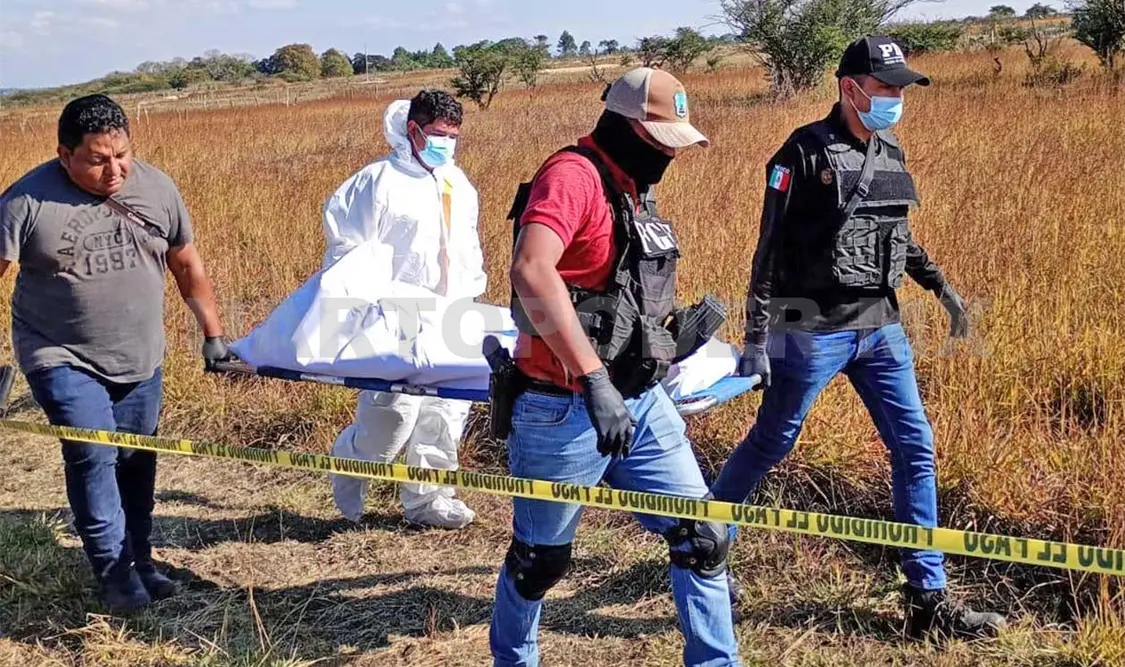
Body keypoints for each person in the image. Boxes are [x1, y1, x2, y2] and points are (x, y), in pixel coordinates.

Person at [711, 36, 1008, 640]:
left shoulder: (891, 148)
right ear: (851, 87)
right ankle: (705, 552)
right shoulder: (802, 151)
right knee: (772, 443)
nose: (897, 97)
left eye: (901, 87)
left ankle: (928, 598)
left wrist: (944, 290)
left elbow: (899, 235)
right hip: (811, 331)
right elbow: (766, 250)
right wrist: (754, 338)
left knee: (915, 448)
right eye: (887, 86)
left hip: (883, 330)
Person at [489, 67, 742, 667]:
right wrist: (594, 379)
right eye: (662, 142)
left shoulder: (632, 186)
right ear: (628, 125)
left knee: (703, 535)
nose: (668, 157)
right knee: (540, 561)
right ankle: (513, 660)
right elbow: (531, 270)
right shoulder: (571, 177)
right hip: (560, 406)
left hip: (642, 398)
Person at [0, 94, 233, 614]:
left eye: (122, 155)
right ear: (65, 155)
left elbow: (186, 263)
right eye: (97, 159)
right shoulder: (25, 202)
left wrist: (212, 333)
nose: (114, 170)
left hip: (140, 354)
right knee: (92, 455)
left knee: (135, 459)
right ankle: (113, 571)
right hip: (59, 353)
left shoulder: (157, 188)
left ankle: (141, 558)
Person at [322, 90, 486, 530]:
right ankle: (352, 467)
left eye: (453, 136)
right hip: (395, 313)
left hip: (453, 311)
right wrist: (358, 314)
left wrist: (470, 300)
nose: (446, 144)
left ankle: (428, 500)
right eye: (437, 134)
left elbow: (468, 249)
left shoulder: (458, 183)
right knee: (392, 415)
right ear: (412, 130)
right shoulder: (375, 182)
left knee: (447, 412)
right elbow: (346, 252)